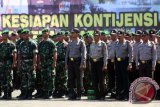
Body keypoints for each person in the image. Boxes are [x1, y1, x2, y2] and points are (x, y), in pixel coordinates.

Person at [65, 28, 86, 100]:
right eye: (71, 33)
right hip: (70, 62)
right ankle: (72, 94)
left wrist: (82, 63)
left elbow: (83, 54)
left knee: (78, 79)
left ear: (77, 34)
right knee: (70, 78)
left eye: (73, 33)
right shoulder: (70, 43)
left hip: (78, 61)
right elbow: (67, 54)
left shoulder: (81, 42)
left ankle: (79, 94)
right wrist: (66, 63)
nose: (72, 34)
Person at [18, 29, 37, 99]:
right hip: (23, 63)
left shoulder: (33, 43)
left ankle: (29, 93)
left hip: (30, 62)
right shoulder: (21, 43)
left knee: (31, 78)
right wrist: (19, 64)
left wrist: (34, 64)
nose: (23, 36)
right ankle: (25, 93)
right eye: (23, 35)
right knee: (24, 79)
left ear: (28, 35)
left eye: (25, 34)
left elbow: (35, 55)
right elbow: (19, 55)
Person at [38, 28, 57, 99]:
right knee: (44, 77)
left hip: (49, 62)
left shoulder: (51, 42)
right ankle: (45, 92)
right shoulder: (41, 43)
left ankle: (50, 93)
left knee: (50, 77)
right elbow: (39, 54)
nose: (44, 34)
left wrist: (54, 62)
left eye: (45, 33)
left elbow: (55, 53)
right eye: (43, 33)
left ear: (48, 33)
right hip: (43, 62)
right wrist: (39, 63)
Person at [89, 30, 108, 100]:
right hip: (93, 63)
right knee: (94, 80)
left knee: (101, 80)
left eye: (96, 36)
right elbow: (90, 55)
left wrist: (105, 65)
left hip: (100, 63)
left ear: (99, 36)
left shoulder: (103, 44)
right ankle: (97, 95)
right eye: (94, 36)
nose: (95, 37)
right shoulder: (92, 44)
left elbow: (105, 55)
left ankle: (102, 95)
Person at [115, 30, 133, 100]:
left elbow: (131, 54)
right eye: (118, 35)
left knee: (125, 79)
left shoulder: (127, 43)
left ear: (123, 35)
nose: (119, 36)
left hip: (124, 62)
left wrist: (130, 63)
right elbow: (115, 54)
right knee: (118, 79)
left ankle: (126, 95)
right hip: (117, 62)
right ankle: (119, 94)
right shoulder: (116, 43)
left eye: (120, 35)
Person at [0, 30, 17, 99]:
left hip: (8, 62)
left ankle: (9, 93)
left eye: (5, 35)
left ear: (7, 35)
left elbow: (15, 54)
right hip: (2, 63)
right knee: (2, 78)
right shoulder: (1, 44)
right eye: (3, 35)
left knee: (9, 78)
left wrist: (14, 63)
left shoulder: (11, 44)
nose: (4, 36)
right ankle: (5, 93)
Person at [53, 31, 68, 98]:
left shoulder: (66, 44)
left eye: (60, 36)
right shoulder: (56, 44)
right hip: (57, 62)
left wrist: (66, 64)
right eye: (58, 36)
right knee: (57, 78)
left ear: (63, 36)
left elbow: (67, 55)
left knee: (63, 78)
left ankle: (63, 92)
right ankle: (57, 91)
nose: (59, 37)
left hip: (63, 62)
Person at [107, 29, 117, 98]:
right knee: (110, 78)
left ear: (116, 35)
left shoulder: (118, 42)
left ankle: (117, 91)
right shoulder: (109, 43)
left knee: (117, 78)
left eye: (113, 35)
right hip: (110, 61)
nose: (112, 36)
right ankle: (112, 92)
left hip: (116, 61)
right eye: (111, 35)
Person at [154, 30, 160, 100]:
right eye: (158, 37)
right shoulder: (156, 45)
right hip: (157, 64)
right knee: (156, 80)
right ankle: (157, 94)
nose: (158, 39)